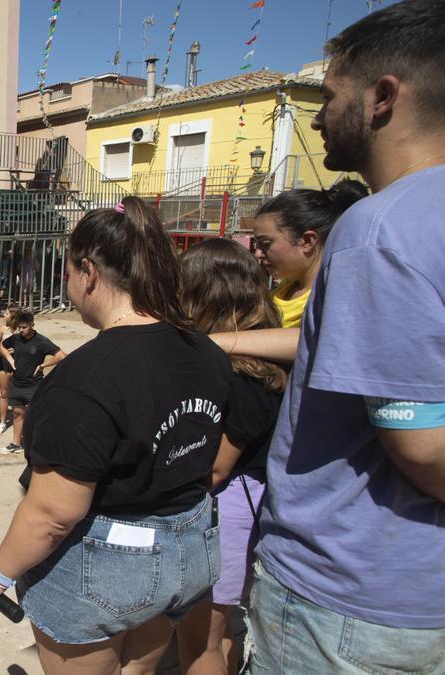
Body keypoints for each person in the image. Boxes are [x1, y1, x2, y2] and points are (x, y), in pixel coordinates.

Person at [247, 5, 445, 670]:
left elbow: (421, 444)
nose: (315, 115)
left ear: (383, 97)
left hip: (349, 600)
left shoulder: (378, 229)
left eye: (329, 95)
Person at [0, 197, 231, 674]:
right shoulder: (205, 350)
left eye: (67, 273)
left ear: (89, 272)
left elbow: (53, 515)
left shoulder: (83, 380)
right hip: (190, 553)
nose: (68, 286)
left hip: (111, 567)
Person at [173, 239, 286, 673]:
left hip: (226, 509)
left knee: (200, 640)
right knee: (222, 634)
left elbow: (216, 468)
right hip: (250, 502)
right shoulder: (264, 354)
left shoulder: (237, 371)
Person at [252, 180, 369, 327]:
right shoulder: (287, 288)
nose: (258, 253)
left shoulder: (331, 301)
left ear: (307, 241)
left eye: (266, 244)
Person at [0, 311, 65, 455]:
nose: (21, 330)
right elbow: (2, 346)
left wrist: (43, 366)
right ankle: (16, 444)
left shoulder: (41, 341)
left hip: (34, 385)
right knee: (17, 413)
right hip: (16, 383)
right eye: (19, 327)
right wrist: (10, 359)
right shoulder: (16, 338)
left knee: (37, 416)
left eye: (24, 327)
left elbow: (61, 355)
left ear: (32, 325)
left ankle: (40, 446)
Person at [0, 304, 20, 437]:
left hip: (19, 365)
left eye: (7, 313)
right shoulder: (2, 329)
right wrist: (4, 350)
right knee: (4, 394)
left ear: (13, 316)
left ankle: (18, 419)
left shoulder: (22, 330)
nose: (4, 315)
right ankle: (2, 422)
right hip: (4, 364)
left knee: (18, 394)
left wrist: (17, 350)